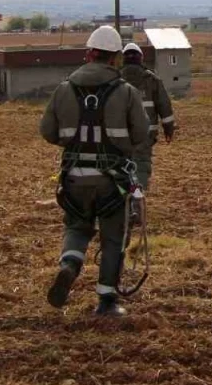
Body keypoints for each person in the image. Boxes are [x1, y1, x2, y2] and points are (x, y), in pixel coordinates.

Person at [39, 25, 148, 317]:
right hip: (112, 182)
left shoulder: (64, 89)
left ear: (88, 54)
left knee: (77, 227)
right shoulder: (126, 92)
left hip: (74, 177)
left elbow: (47, 130)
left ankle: (69, 265)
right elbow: (141, 134)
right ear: (115, 58)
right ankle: (106, 301)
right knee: (113, 238)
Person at [119, 42, 176, 212]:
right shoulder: (151, 80)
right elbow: (164, 106)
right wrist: (169, 129)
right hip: (145, 135)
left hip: (119, 136)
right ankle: (135, 205)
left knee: (120, 168)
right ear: (141, 59)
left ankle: (122, 204)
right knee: (141, 167)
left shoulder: (115, 79)